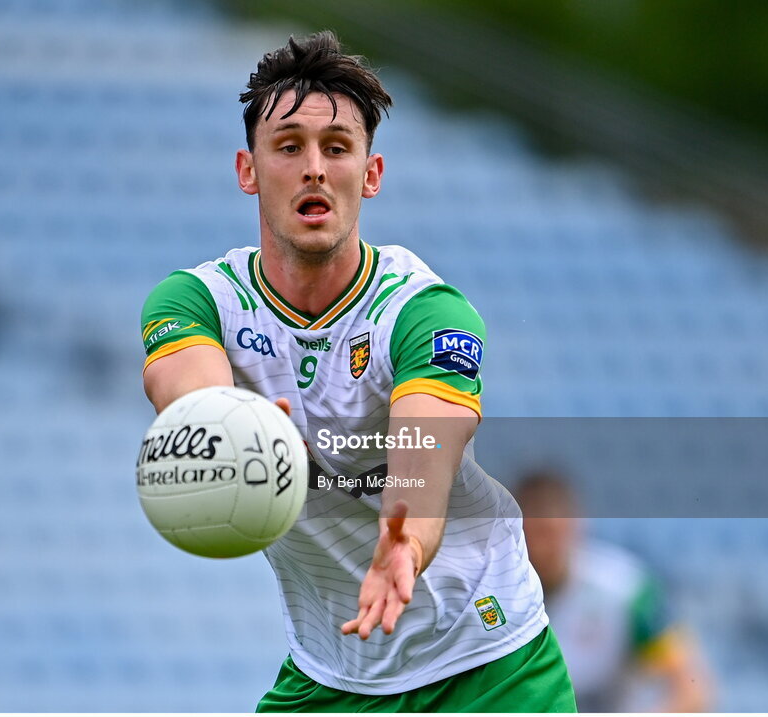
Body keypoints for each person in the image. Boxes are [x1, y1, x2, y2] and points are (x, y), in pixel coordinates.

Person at [140, 31, 576, 712]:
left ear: (369, 174)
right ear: (247, 169)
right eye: (289, 146)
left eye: (336, 148)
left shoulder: (423, 309)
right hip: (331, 673)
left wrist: (405, 538)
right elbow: (187, 394)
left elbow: (427, 445)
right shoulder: (197, 301)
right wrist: (231, 427)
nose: (314, 167)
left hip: (488, 665)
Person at [516, 469, 714, 712]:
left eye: (554, 532)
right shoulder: (496, 599)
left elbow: (692, 688)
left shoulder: (627, 590)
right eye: (537, 534)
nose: (547, 547)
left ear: (577, 524)